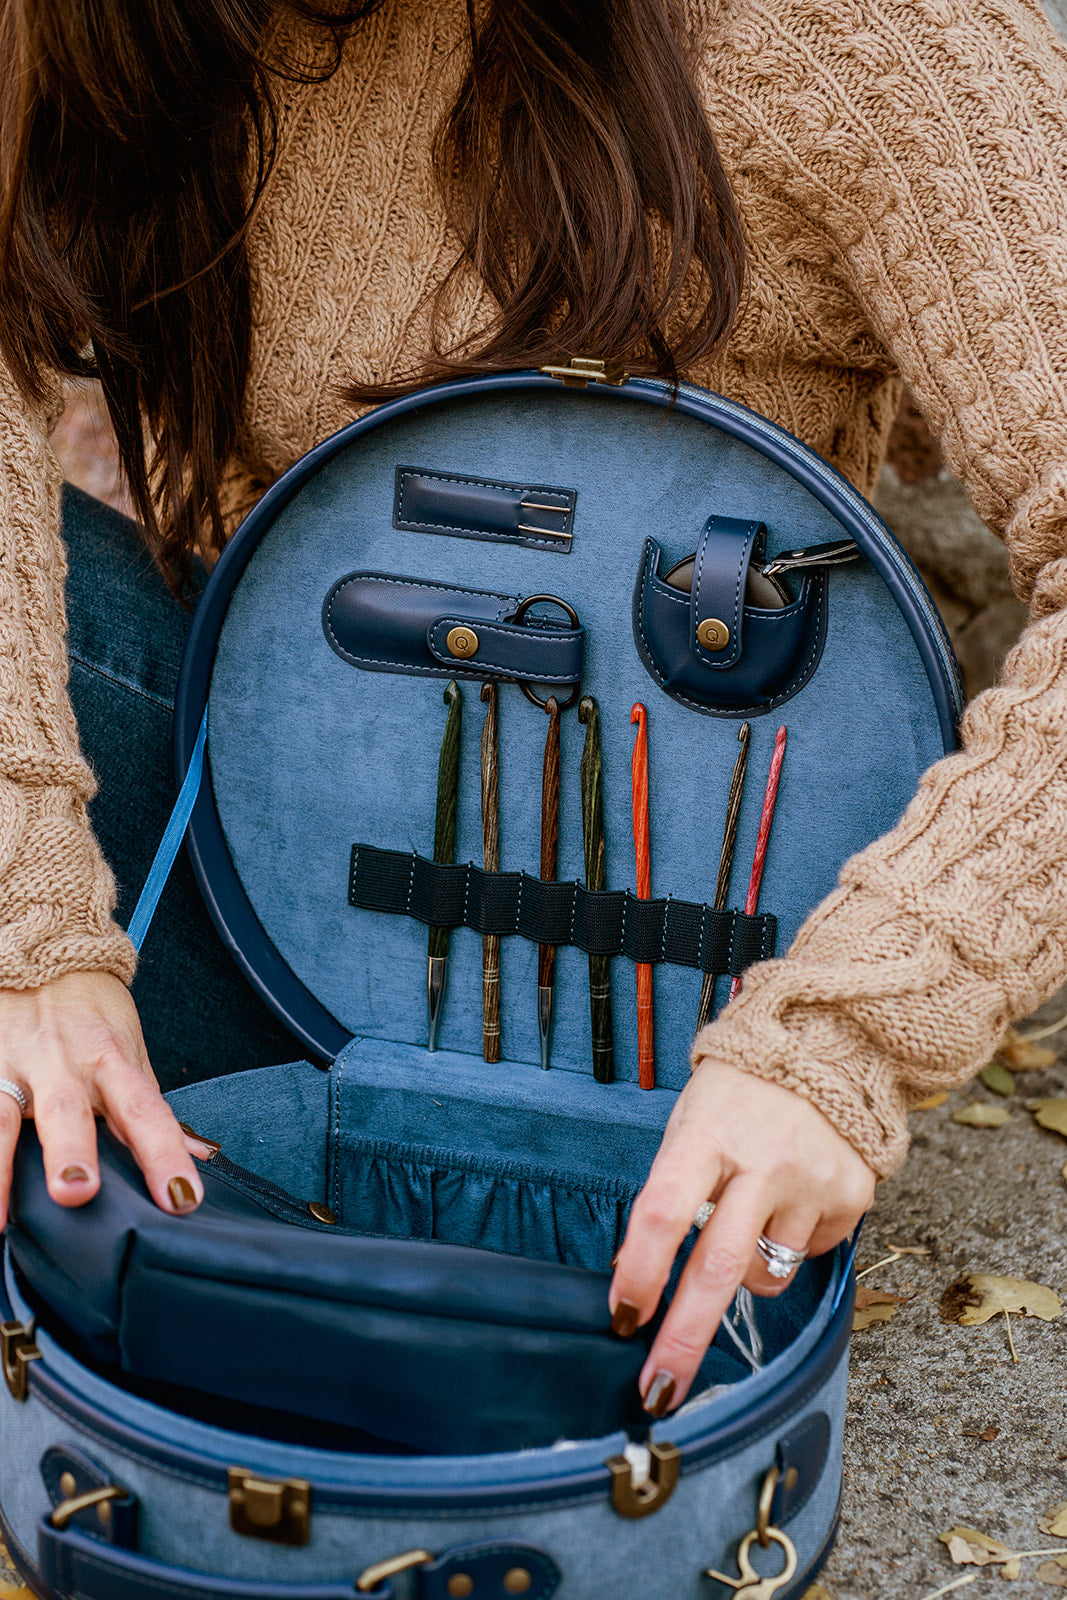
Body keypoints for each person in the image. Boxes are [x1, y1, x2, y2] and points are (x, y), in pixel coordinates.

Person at [0, 0, 1065, 1422]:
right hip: (262, 907)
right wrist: (25, 912)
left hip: (690, 1042)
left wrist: (844, 1040)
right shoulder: (143, 31)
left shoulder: (856, 33)